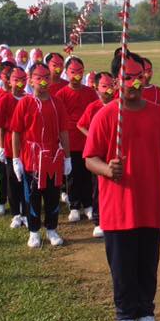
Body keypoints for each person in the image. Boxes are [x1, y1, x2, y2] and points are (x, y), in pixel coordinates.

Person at [84, 50, 160, 321]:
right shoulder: (106, 115)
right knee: (122, 265)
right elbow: (90, 158)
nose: (135, 84)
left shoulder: (158, 114)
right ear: (115, 80)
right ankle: (125, 315)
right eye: (128, 78)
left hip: (149, 206)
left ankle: (146, 313)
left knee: (147, 262)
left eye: (139, 77)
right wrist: (107, 170)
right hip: (117, 208)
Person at [10, 62, 71, 248]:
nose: (43, 82)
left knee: (52, 196)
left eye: (46, 77)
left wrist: (67, 158)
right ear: (30, 80)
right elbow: (16, 132)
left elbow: (64, 132)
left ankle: (52, 229)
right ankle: (34, 231)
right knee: (32, 196)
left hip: (53, 157)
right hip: (31, 158)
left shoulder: (57, 103)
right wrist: (15, 158)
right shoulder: (25, 103)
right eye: (39, 78)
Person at [55, 56, 97, 223]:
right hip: (70, 140)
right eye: (73, 72)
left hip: (87, 140)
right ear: (66, 73)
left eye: (80, 72)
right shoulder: (61, 94)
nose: (77, 76)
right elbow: (58, 119)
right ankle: (74, 205)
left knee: (87, 174)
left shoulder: (90, 93)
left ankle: (88, 204)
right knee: (72, 175)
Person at [76, 71, 116, 237]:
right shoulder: (93, 107)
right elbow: (81, 125)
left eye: (111, 86)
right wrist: (93, 136)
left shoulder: (119, 105)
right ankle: (98, 220)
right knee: (98, 187)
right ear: (96, 88)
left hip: (115, 154)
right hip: (98, 156)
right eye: (104, 86)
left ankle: (114, 216)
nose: (108, 90)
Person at [0, 66, 29, 228]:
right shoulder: (5, 99)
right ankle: (16, 214)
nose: (19, 84)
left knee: (26, 181)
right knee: (12, 180)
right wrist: (0, 146)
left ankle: (26, 212)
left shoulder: (30, 98)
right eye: (16, 80)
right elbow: (0, 125)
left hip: (27, 148)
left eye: (22, 80)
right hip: (10, 146)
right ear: (9, 81)